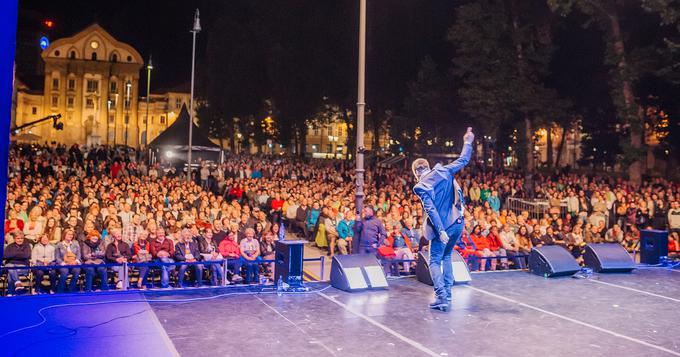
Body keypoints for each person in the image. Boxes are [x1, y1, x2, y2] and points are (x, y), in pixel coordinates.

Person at [412, 127, 474, 311]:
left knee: (434, 260)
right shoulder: (445, 171)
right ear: (428, 167)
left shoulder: (420, 186)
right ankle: (447, 292)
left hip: (444, 227)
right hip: (458, 223)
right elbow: (464, 159)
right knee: (447, 256)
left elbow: (431, 210)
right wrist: (468, 141)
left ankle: (441, 296)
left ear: (416, 172)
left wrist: (440, 231)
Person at [4, 231, 31, 295]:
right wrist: (20, 254)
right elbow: (6, 256)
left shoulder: (27, 246)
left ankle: (10, 293)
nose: (20, 240)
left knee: (11, 272)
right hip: (11, 265)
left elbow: (26, 255)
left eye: (21, 238)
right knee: (11, 268)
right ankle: (18, 284)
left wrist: (13, 255)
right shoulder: (9, 246)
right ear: (14, 239)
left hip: (23, 266)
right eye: (18, 238)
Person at [55, 228, 82, 293]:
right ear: (64, 235)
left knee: (77, 270)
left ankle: (71, 288)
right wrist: (63, 263)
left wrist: (76, 261)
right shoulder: (59, 244)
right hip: (63, 264)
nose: (70, 236)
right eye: (69, 234)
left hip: (74, 263)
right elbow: (57, 257)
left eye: (72, 234)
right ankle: (60, 289)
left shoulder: (75, 243)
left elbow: (78, 254)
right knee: (65, 271)